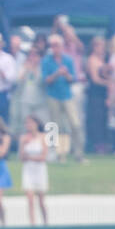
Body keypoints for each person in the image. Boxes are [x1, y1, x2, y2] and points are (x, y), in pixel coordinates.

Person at [41, 33, 83, 161]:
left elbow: (73, 79)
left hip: (67, 95)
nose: (55, 48)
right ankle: (55, 153)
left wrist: (66, 75)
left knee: (75, 124)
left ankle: (78, 153)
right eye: (52, 46)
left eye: (57, 45)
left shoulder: (68, 60)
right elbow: (46, 80)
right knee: (54, 126)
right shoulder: (46, 61)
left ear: (61, 46)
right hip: (53, 96)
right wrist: (57, 74)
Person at [19, 115, 49, 225]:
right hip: (28, 170)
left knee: (41, 201)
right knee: (30, 200)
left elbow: (43, 157)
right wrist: (23, 145)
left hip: (39, 171)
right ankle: (32, 224)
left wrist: (30, 158)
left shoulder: (43, 137)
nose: (29, 125)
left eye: (31, 123)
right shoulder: (24, 138)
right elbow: (21, 158)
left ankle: (45, 222)